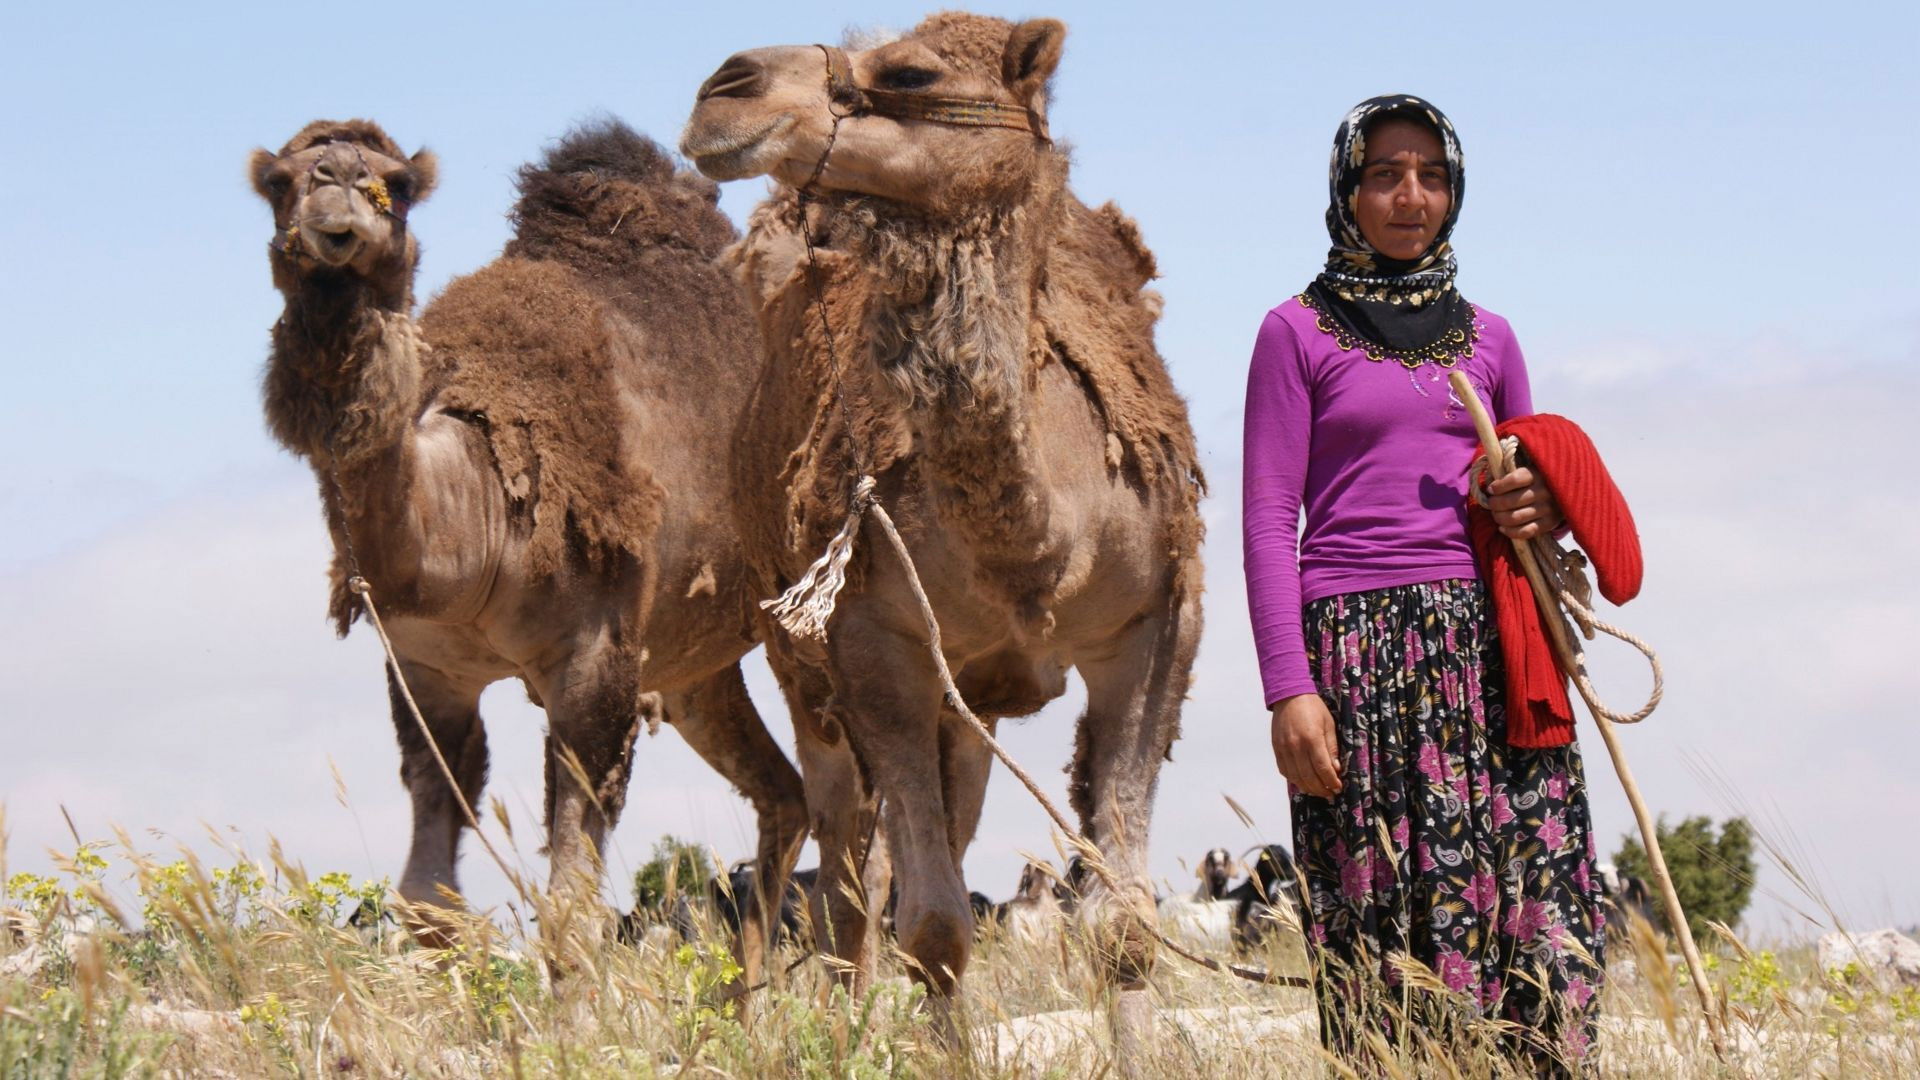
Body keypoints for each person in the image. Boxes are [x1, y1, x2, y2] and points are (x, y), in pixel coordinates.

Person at [1242, 95, 1605, 1072]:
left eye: (1432, 176)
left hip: (1496, 647)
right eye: (1385, 175)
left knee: (1537, 917)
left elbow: (1533, 482)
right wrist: (1289, 688)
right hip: (1359, 659)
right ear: (1346, 189)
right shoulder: (1293, 333)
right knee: (1387, 928)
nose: (1411, 197)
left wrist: (1538, 503)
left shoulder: (1493, 338)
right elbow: (1269, 520)